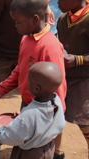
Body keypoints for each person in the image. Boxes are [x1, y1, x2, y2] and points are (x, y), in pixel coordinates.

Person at [0, 0, 67, 158]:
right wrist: (0, 90)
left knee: (36, 148)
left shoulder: (49, 46)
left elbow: (57, 87)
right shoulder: (26, 38)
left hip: (43, 112)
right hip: (30, 106)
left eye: (18, 22)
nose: (15, 26)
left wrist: (51, 114)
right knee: (23, 147)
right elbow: (20, 69)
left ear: (34, 19)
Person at [0, 62, 66, 159]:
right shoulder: (56, 101)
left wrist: (0, 130)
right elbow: (54, 122)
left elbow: (12, 137)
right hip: (47, 148)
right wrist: (24, 116)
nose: (26, 81)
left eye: (29, 80)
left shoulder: (29, 115)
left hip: (29, 153)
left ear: (36, 88)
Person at [57, 0, 89, 158]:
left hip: (84, 79)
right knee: (56, 117)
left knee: (84, 122)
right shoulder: (63, 19)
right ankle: (57, 152)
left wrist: (77, 60)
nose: (58, 2)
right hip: (63, 78)